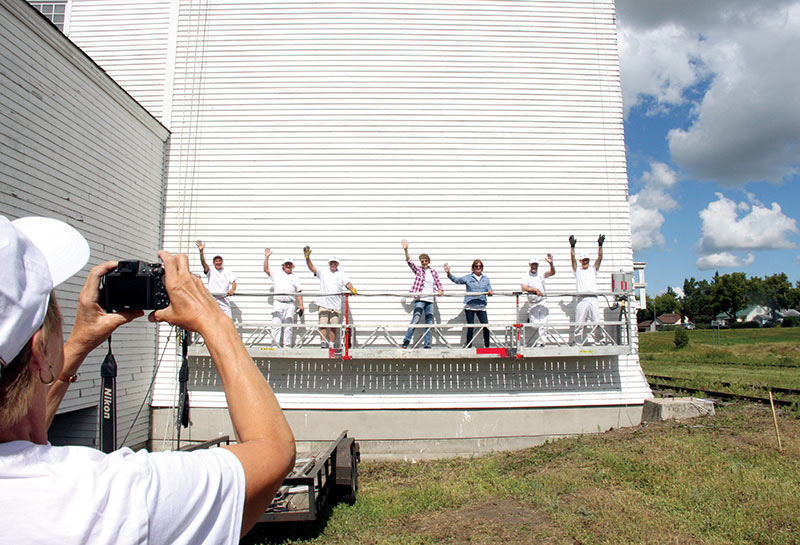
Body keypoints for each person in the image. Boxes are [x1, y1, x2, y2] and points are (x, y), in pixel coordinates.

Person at [0, 216, 295, 544]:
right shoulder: (112, 499)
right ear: (41, 349)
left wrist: (80, 342)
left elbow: (18, 417)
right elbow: (273, 452)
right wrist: (214, 321)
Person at [303, 246, 357, 349]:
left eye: (335, 263)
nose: (333, 264)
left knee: (334, 326)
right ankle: (323, 343)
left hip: (335, 305)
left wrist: (352, 289)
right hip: (323, 304)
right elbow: (312, 268)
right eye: (331, 262)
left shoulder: (341, 274)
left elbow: (347, 283)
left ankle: (331, 344)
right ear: (329, 264)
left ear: (337, 264)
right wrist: (307, 258)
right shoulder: (323, 272)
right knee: (323, 324)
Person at [400, 240, 443, 349]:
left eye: (425, 261)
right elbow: (410, 262)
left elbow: (438, 282)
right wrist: (406, 250)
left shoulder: (433, 272)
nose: (423, 263)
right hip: (420, 299)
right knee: (416, 319)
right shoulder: (418, 270)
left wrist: (440, 290)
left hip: (430, 300)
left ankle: (427, 345)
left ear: (428, 261)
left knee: (429, 322)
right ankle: (405, 342)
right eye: (422, 261)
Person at [444, 260, 493, 348]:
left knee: (485, 326)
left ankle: (487, 346)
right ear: (473, 268)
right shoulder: (468, 277)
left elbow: (490, 289)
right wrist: (449, 274)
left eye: (480, 266)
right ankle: (469, 346)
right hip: (470, 305)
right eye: (476, 266)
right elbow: (457, 280)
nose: (478, 268)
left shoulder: (486, 279)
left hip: (481, 306)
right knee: (470, 327)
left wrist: (490, 292)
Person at [263, 249, 304, 348]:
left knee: (288, 326)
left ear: (292, 266)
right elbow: (266, 269)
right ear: (283, 265)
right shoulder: (277, 274)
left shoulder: (295, 277)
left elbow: (299, 291)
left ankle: (287, 346)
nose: (288, 266)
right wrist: (267, 257)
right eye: (286, 264)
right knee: (276, 324)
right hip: (278, 302)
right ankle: (275, 345)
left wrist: (301, 305)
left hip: (290, 303)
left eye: (290, 264)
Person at [570, 234, 605, 345]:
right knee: (579, 323)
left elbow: (599, 258)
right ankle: (578, 343)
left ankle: (600, 341)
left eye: (586, 260)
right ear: (581, 261)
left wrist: (600, 245)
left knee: (596, 322)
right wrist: (572, 247)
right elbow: (572, 260)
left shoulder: (593, 269)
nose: (585, 262)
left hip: (593, 298)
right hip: (582, 299)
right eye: (583, 260)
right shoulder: (578, 271)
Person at [520, 254, 556, 346]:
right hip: (533, 303)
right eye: (532, 264)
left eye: (536, 264)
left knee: (544, 323)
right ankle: (530, 319)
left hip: (542, 300)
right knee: (534, 325)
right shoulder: (526, 275)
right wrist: (535, 290)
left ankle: (541, 343)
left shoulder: (541, 273)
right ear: (529, 265)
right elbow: (523, 288)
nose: (534, 266)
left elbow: (552, 272)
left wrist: (551, 264)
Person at [196, 240, 237, 318]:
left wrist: (232, 290)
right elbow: (204, 264)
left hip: (224, 298)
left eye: (219, 261)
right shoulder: (210, 271)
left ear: (222, 262)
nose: (218, 262)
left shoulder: (227, 271)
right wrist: (201, 252)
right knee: (211, 319)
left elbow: (234, 283)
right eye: (216, 261)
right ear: (213, 262)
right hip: (212, 298)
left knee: (227, 320)